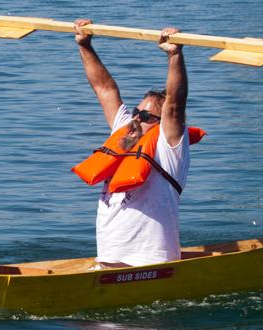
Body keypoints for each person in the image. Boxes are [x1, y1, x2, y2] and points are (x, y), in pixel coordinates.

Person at [72, 19, 199, 269]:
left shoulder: (169, 145)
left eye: (147, 117)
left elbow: (175, 102)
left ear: (162, 123)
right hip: (109, 262)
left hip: (152, 264)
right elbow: (104, 88)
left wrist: (175, 55)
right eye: (136, 112)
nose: (138, 119)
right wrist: (85, 45)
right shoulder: (126, 129)